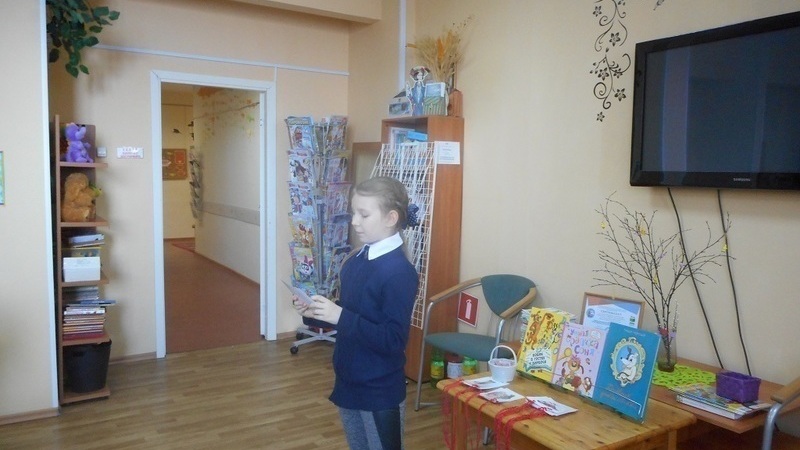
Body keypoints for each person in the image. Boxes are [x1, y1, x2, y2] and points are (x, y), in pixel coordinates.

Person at [293, 176, 419, 450]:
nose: (354, 221)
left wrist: (339, 316)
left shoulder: (400, 272)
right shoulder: (356, 260)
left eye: (364, 214)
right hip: (350, 379)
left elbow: (393, 339)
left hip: (378, 390)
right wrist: (314, 311)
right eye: (353, 213)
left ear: (391, 218)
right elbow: (351, 313)